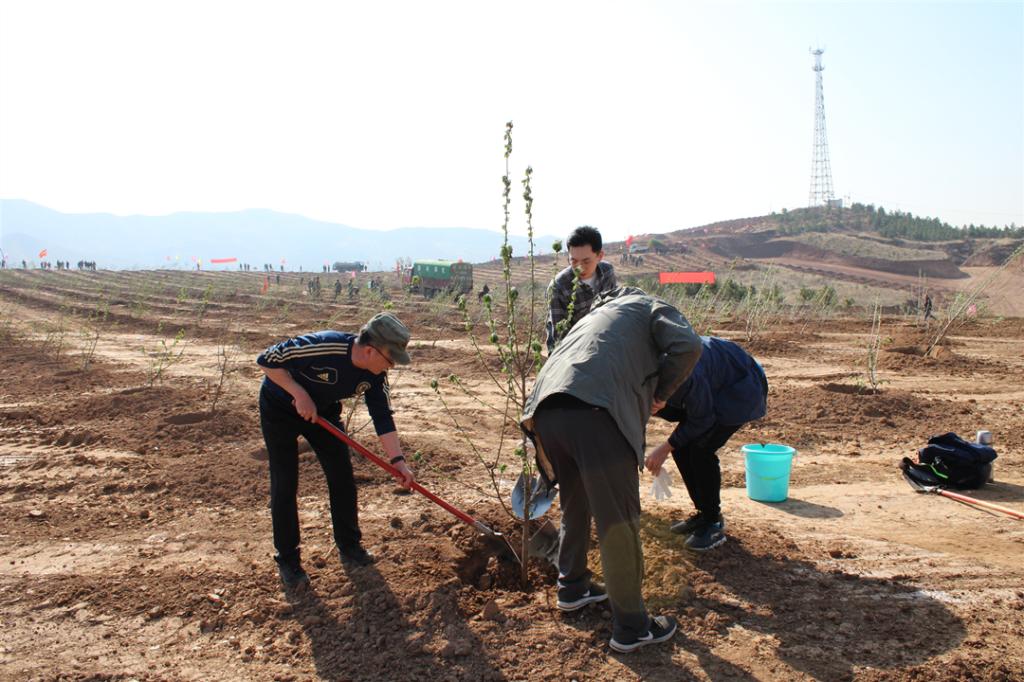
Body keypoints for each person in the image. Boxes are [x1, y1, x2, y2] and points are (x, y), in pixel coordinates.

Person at [522, 287, 702, 653]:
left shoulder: (591, 319)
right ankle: (633, 628)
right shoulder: (648, 305)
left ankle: (572, 587)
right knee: (619, 520)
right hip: (596, 415)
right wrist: (661, 393)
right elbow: (689, 346)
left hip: (546, 413)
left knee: (576, 503)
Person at [257, 312, 415, 587]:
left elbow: (382, 417)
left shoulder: (375, 376)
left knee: (342, 477)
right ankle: (288, 560)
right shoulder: (323, 346)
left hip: (324, 414)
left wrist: (398, 461)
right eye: (390, 360)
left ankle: (349, 545)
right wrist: (299, 393)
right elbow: (266, 360)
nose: (390, 367)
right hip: (280, 407)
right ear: (370, 350)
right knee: (285, 482)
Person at [644, 336, 768, 552]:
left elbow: (702, 419)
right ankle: (704, 513)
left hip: (740, 391)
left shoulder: (683, 375)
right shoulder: (644, 370)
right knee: (682, 447)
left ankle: (713, 522)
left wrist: (663, 449)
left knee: (700, 450)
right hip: (713, 385)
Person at [545, 226, 617, 352]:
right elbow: (560, 335)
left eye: (586, 261)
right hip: (570, 347)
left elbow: (614, 307)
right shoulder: (558, 287)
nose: (579, 267)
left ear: (599, 256)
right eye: (573, 261)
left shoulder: (607, 272)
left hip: (602, 337)